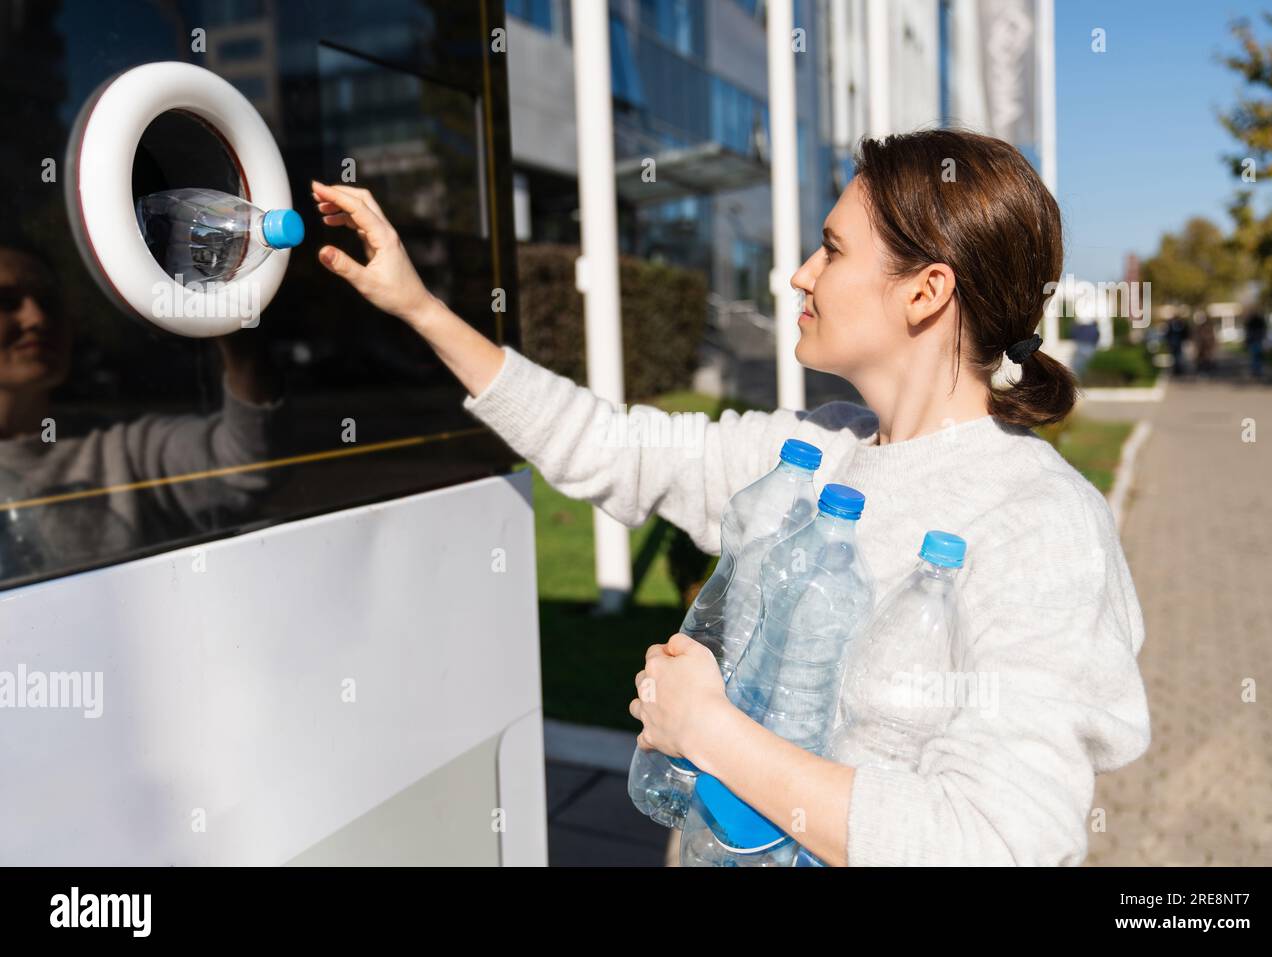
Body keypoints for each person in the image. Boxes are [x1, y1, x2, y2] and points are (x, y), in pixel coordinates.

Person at [311, 128, 1151, 867]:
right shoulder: (813, 448)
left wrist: (709, 732)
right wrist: (417, 306)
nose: (798, 275)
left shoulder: (1041, 524)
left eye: (832, 250)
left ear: (924, 293)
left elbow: (996, 842)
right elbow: (609, 446)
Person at [0, 242, 283, 580]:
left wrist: (234, 314)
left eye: (49, 301)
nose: (36, 318)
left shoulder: (123, 446)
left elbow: (249, 463)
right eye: (6, 302)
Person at [1244, 311, 1267, 378]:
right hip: (1258, 341)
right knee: (1258, 357)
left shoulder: (1251, 322)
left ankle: (1256, 370)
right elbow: (1263, 331)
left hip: (1254, 341)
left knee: (1255, 357)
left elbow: (1248, 333)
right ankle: (1257, 370)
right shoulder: (1259, 322)